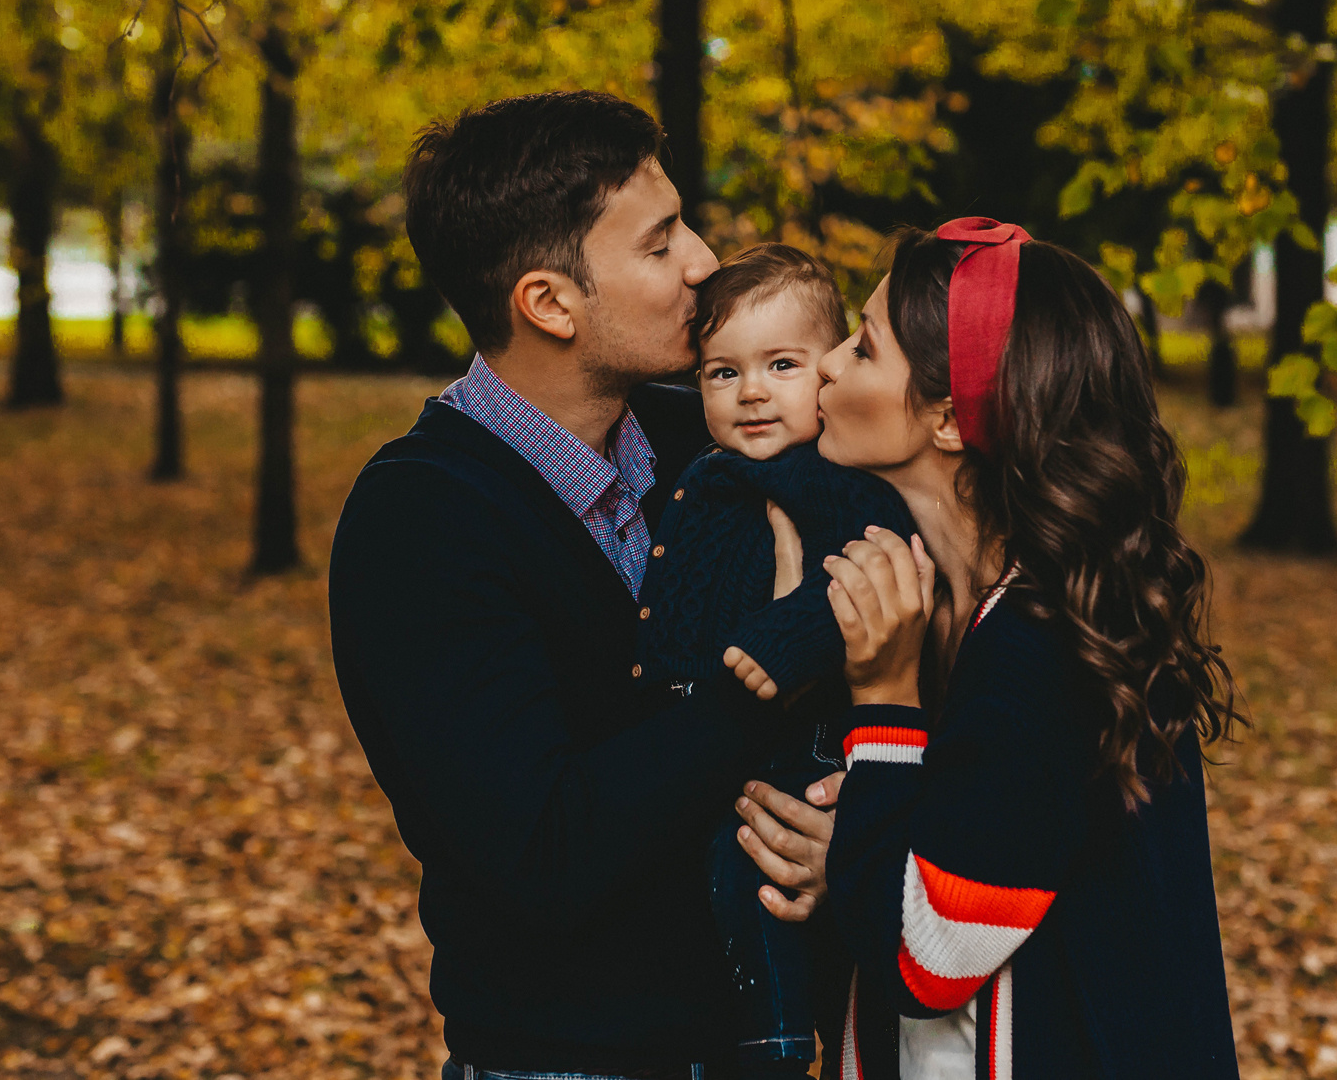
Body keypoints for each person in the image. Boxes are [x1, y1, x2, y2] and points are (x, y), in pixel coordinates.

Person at [328, 92, 889, 1079]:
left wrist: (848, 825)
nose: (703, 261)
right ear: (549, 304)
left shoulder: (709, 441)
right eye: (661, 242)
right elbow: (543, 853)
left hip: (769, 1040)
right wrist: (763, 674)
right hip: (570, 1060)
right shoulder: (419, 522)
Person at [812, 219, 1244, 1078]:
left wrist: (884, 700)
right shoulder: (979, 607)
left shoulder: (1038, 651)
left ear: (945, 418)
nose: (825, 363)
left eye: (861, 347)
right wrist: (845, 850)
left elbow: (925, 961)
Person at [636, 244, 920, 1076]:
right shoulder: (707, 468)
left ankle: (779, 1042)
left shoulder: (830, 475)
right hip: (720, 731)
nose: (751, 391)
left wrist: (790, 635)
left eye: (781, 365)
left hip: (802, 738)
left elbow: (869, 558)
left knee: (753, 871)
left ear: (826, 373)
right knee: (717, 880)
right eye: (722, 373)